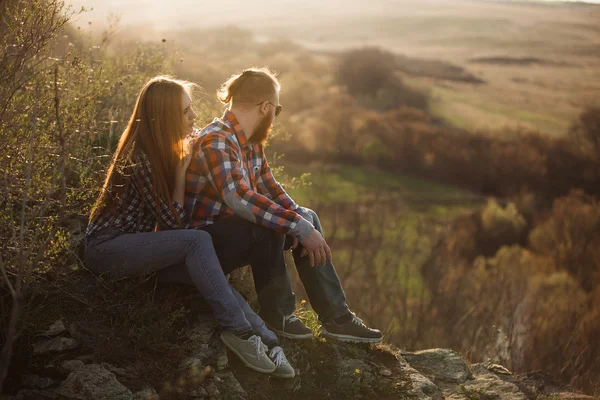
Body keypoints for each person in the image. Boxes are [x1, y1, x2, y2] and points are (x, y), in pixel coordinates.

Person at [84, 75, 294, 378]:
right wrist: (182, 176)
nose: (193, 116)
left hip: (143, 250)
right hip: (108, 249)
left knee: (211, 275)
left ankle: (269, 343)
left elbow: (210, 138)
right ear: (166, 116)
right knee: (197, 242)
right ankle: (238, 331)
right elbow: (174, 224)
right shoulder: (140, 159)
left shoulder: (163, 147)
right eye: (185, 111)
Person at [185, 68, 383, 343]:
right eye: (276, 110)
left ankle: (337, 318)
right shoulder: (217, 139)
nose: (275, 117)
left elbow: (269, 186)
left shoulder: (249, 141)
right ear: (265, 107)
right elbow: (238, 197)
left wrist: (301, 219)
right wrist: (295, 226)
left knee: (307, 216)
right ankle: (278, 315)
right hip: (205, 244)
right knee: (271, 226)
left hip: (236, 234)